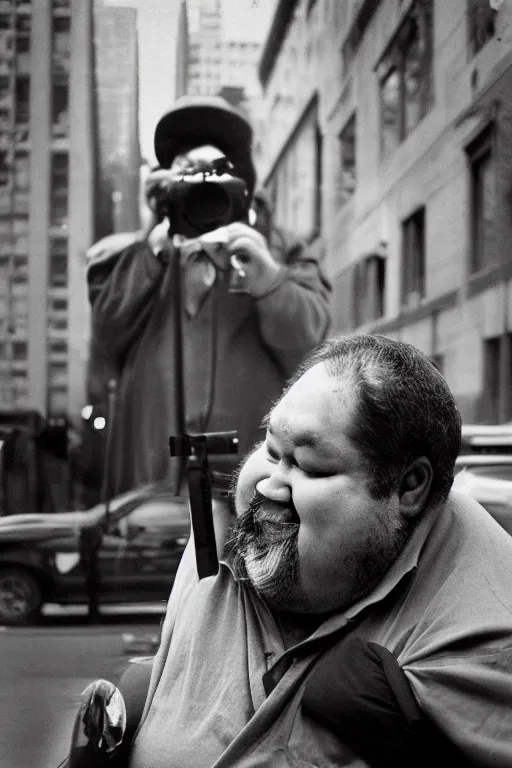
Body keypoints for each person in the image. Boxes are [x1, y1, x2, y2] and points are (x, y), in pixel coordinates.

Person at [103, 333, 512, 767]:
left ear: (408, 486)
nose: (268, 485)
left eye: (308, 467)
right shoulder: (222, 545)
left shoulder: (484, 638)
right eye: (271, 448)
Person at [86, 95, 331, 497]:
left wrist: (268, 279)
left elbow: (314, 354)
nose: (203, 188)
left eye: (217, 174)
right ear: (164, 184)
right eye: (188, 174)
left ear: (242, 185)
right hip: (149, 497)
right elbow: (105, 337)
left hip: (258, 495)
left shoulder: (282, 252)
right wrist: (156, 248)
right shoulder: (128, 258)